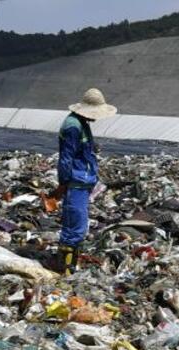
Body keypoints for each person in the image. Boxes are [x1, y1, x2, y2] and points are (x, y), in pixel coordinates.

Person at [54, 88, 117, 274]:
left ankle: (69, 266)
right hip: (75, 183)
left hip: (82, 182)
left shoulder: (81, 123)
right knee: (75, 228)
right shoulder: (73, 126)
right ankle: (65, 270)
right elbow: (66, 158)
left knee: (78, 226)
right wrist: (64, 182)